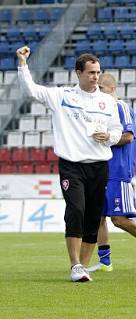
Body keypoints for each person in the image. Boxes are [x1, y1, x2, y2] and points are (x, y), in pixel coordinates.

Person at [16, 47, 122, 282]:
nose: (95, 76)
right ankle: (75, 264)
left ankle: (83, 267)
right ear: (78, 73)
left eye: (98, 72)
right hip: (72, 165)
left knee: (94, 217)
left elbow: (117, 130)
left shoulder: (107, 101)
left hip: (99, 166)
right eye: (91, 72)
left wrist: (110, 137)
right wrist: (22, 64)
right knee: (76, 210)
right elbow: (31, 90)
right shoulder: (62, 96)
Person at [87, 73, 136, 272]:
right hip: (100, 168)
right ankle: (105, 262)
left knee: (119, 219)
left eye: (101, 89)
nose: (98, 92)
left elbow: (128, 137)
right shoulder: (100, 111)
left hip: (118, 170)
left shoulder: (121, 107)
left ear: (112, 89)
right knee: (98, 217)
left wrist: (107, 138)